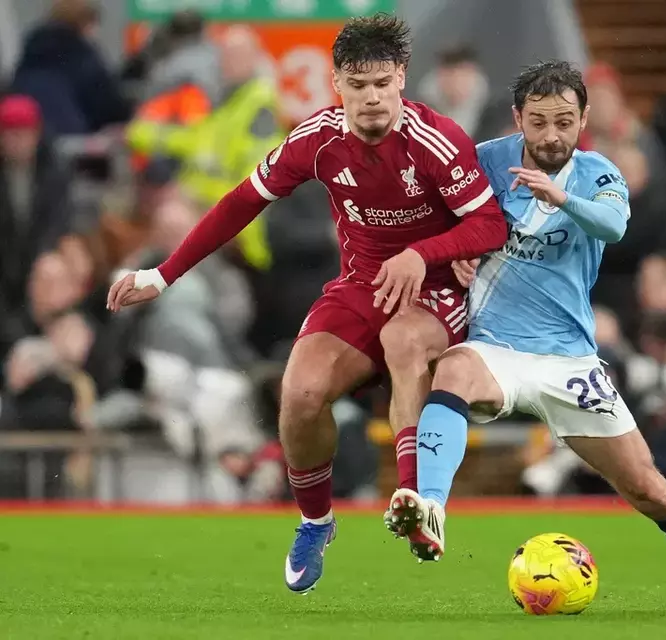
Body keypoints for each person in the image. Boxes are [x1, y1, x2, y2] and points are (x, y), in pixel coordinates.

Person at [106, 14, 508, 594]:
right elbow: (241, 202)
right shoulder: (316, 138)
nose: (371, 98)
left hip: (436, 290)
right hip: (361, 287)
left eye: (383, 84)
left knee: (403, 342)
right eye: (358, 84)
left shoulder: (435, 140)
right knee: (298, 395)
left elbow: (489, 223)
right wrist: (163, 275)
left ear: (402, 79)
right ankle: (316, 521)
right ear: (337, 83)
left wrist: (423, 254)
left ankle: (416, 498)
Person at [385, 60, 666, 611]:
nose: (551, 135)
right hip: (497, 347)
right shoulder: (485, 161)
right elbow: (440, 223)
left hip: (569, 361)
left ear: (583, 118)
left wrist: (560, 199)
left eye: (563, 121)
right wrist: (455, 258)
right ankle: (431, 505)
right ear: (518, 119)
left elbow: (614, 226)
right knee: (453, 370)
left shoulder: (597, 172)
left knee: (649, 489)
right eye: (538, 122)